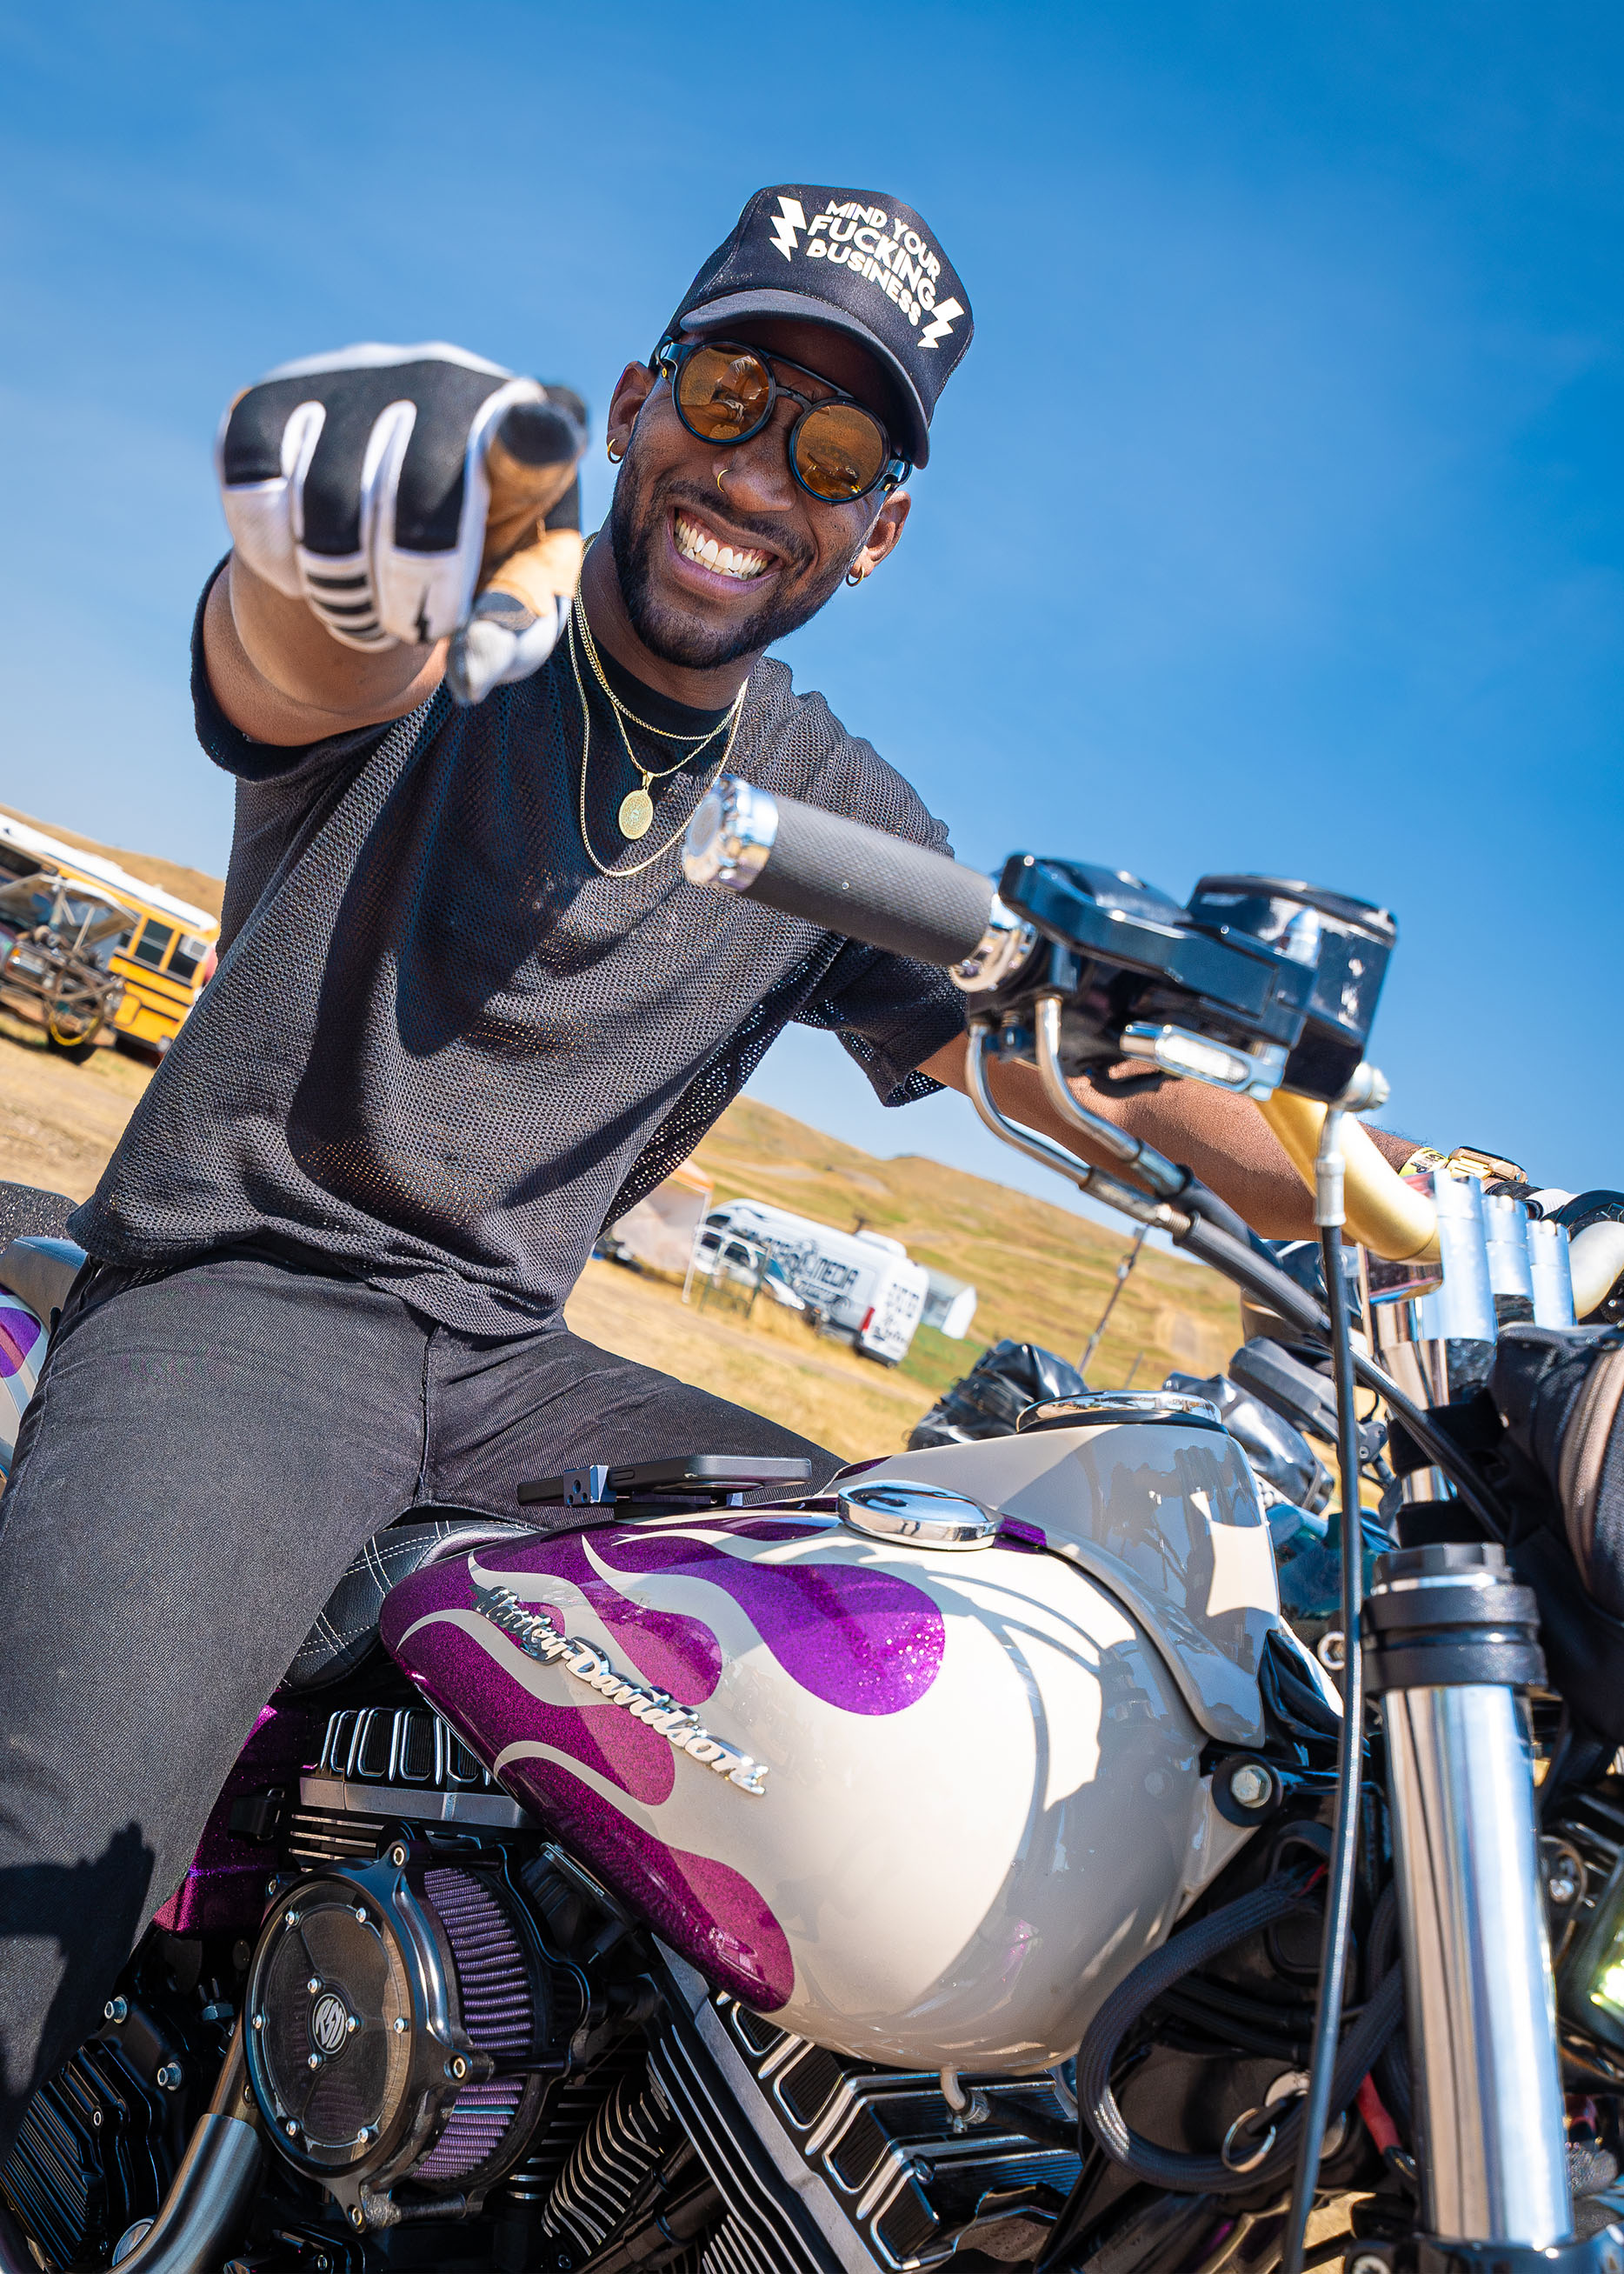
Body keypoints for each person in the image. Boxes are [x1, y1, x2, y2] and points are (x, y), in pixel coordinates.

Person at [0, 182, 1405, 2151]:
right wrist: (331, 548)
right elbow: (296, 670)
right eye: (736, 392)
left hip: (509, 1361)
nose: (761, 472)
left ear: (879, 529)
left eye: (832, 450)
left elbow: (1061, 1064)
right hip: (257, 1294)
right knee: (31, 1911)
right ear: (641, 395)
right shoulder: (470, 621)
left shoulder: (841, 811)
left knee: (906, 1667)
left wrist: (1414, 1220)